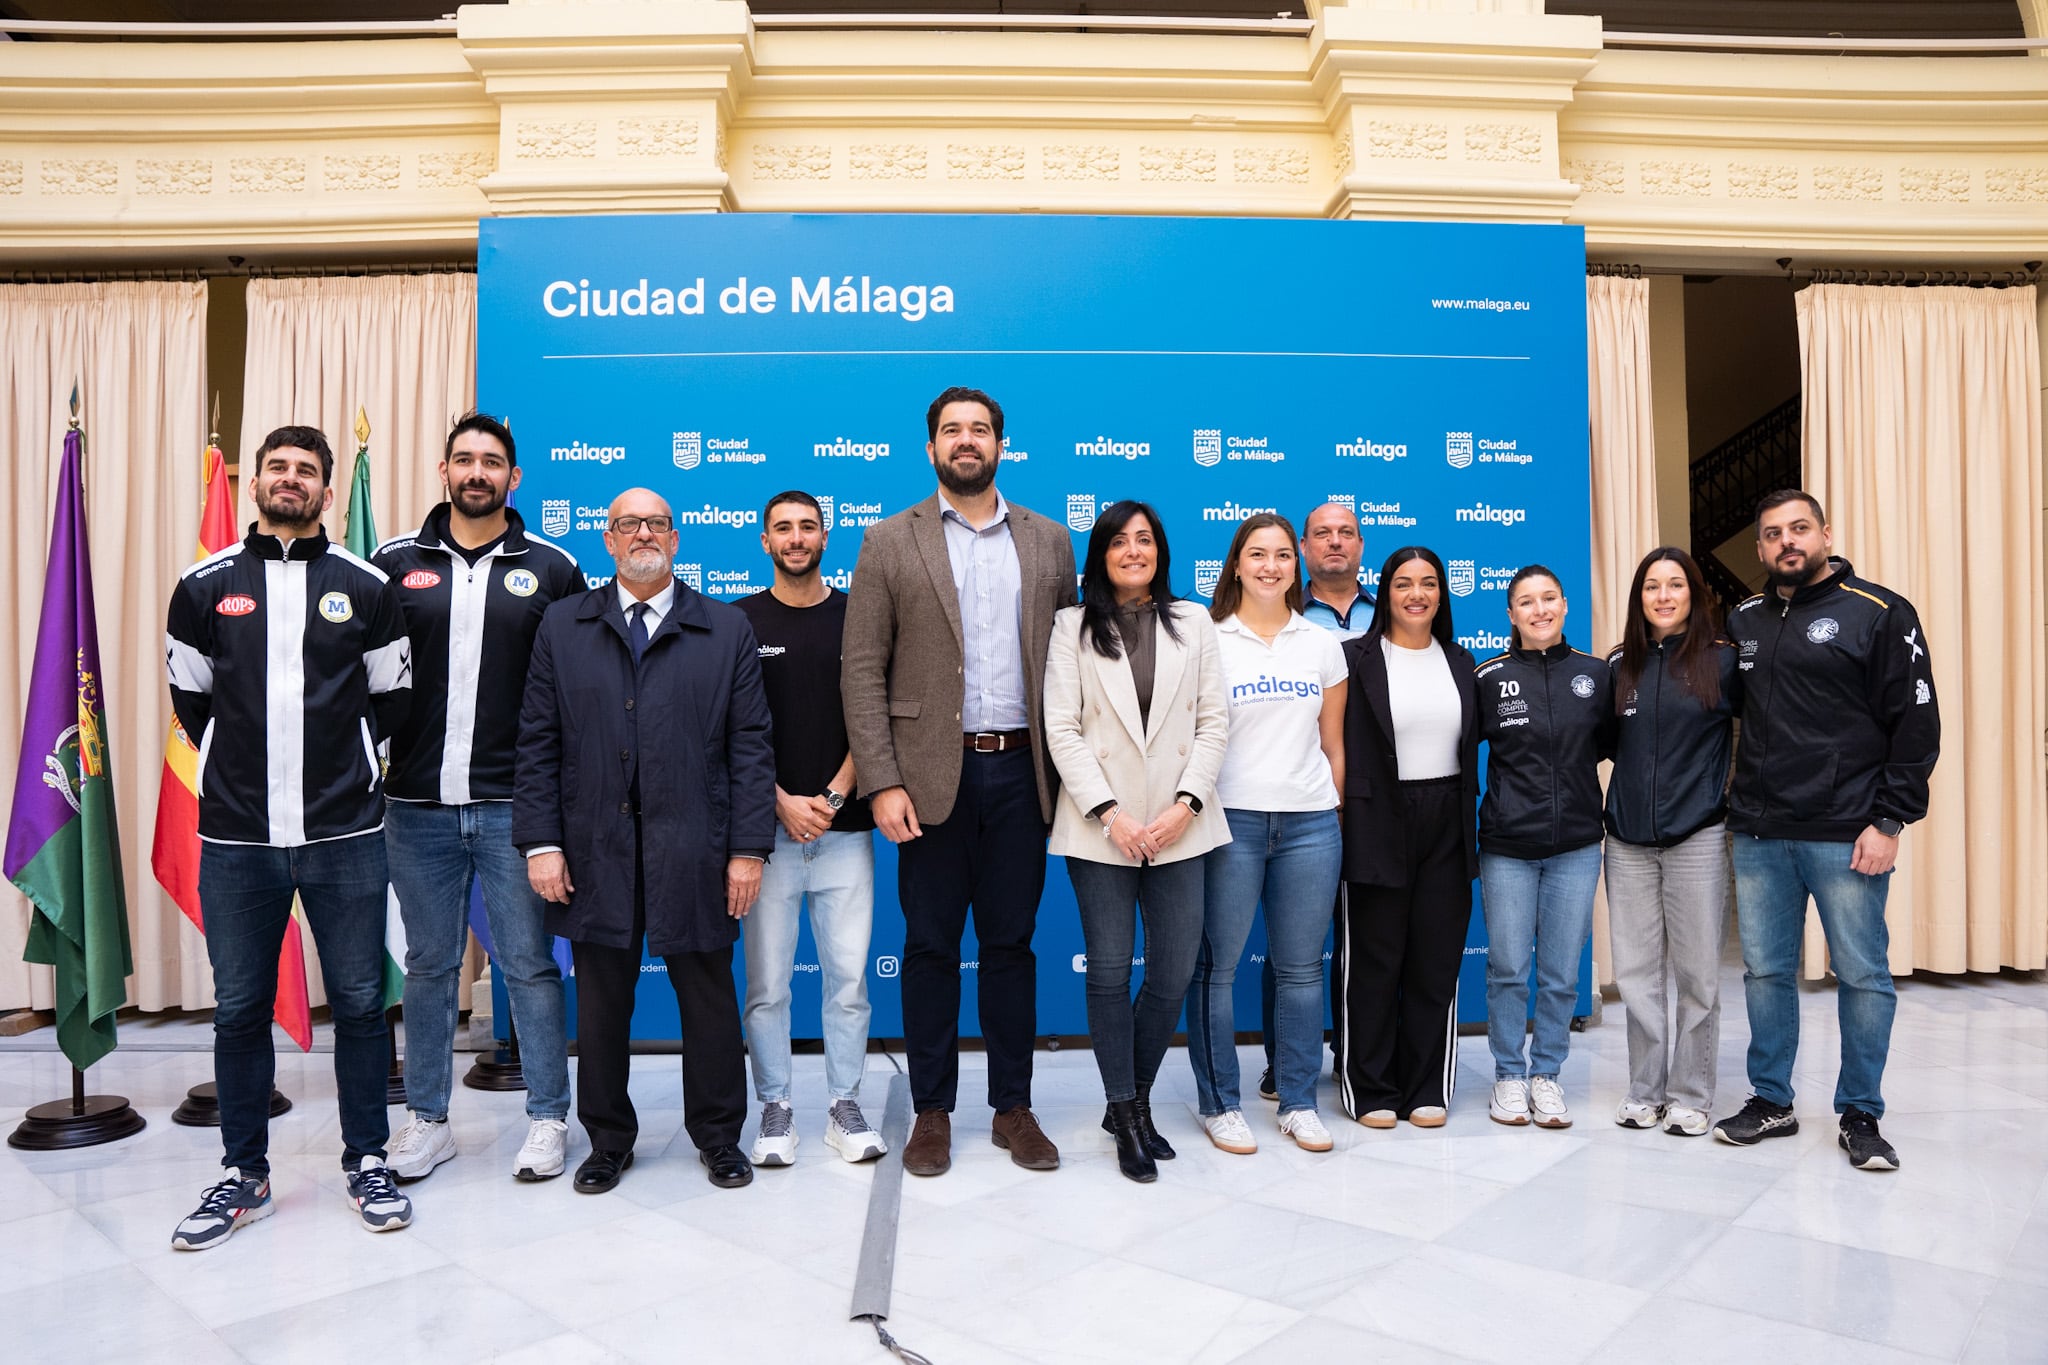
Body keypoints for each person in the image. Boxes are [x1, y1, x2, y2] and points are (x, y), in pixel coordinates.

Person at [166, 424, 414, 1249]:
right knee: (238, 1008)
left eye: (306, 471)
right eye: (277, 467)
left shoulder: (367, 585)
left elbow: (392, 701)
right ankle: (245, 1172)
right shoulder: (202, 587)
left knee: (357, 1004)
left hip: (345, 831)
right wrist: (236, 771)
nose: (290, 480)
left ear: (326, 491)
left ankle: (368, 1157)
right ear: (256, 482)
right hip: (237, 837)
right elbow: (193, 701)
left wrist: (353, 767)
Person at [841, 386, 1078, 1177]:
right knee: (932, 947)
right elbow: (862, 669)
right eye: (952, 430)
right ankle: (932, 1112)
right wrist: (882, 780)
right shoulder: (887, 539)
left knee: (1012, 945)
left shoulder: (1050, 541)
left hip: (1022, 772)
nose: (966, 441)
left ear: (1002, 445)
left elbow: (1074, 666)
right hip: (927, 778)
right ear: (931, 447)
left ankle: (1013, 1107)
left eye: (980, 430)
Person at [513, 488, 776, 1194]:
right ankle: (608, 1140)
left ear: (677, 538)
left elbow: (751, 748)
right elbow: (537, 741)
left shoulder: (725, 629)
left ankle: (719, 1137)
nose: (642, 534)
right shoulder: (563, 626)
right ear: (607, 540)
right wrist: (541, 841)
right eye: (627, 524)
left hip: (696, 847)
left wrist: (748, 850)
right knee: (600, 1005)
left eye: (656, 523)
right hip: (594, 847)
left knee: (710, 1003)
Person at [374, 412, 582, 1183]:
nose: (477, 472)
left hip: (513, 807)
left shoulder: (554, 568)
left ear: (513, 477)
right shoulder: (392, 563)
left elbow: (576, 689)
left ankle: (547, 1116)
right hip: (415, 804)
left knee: (529, 963)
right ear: (443, 469)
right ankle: (427, 1120)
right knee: (428, 964)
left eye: (492, 461)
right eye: (464, 459)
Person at [1714, 490, 1938, 1172]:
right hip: (1758, 831)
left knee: (1864, 974)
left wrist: (1890, 818)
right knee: (1765, 972)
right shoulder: (1745, 617)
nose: (1788, 542)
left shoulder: (1879, 611)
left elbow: (1916, 724)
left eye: (1799, 529)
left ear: (1825, 534)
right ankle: (1772, 1098)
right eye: (1774, 533)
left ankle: (1861, 1111)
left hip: (1847, 832)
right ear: (1759, 549)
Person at [1043, 500, 1229, 1182]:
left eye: (1145, 539)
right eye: (1119, 540)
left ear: (1161, 551)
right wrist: (1111, 814)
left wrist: (1185, 806)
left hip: (1180, 825)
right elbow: (1061, 726)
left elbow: (1214, 722)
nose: (1133, 550)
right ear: (1100, 553)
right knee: (1112, 969)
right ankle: (1125, 1110)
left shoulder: (1194, 621)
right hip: (1104, 830)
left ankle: (1137, 1093)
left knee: (1174, 968)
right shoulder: (1072, 625)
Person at [1185, 513, 1346, 1156]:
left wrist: (1336, 814)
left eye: (1283, 554)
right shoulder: (1207, 638)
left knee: (1303, 971)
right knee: (1216, 969)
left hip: (1310, 824)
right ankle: (1220, 1103)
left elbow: (1332, 743)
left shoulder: (1320, 642)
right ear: (1237, 563)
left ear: (1296, 563)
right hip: (1229, 825)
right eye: (1257, 554)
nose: (1271, 565)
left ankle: (1300, 1101)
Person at [736, 490, 888, 1167]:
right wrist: (780, 803)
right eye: (783, 529)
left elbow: (876, 713)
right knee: (768, 984)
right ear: (765, 540)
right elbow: (732, 731)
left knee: (849, 979)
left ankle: (843, 1103)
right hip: (766, 838)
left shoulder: (859, 616)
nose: (796, 538)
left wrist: (830, 794)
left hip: (845, 831)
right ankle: (775, 1105)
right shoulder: (737, 621)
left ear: (826, 536)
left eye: (807, 527)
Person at [1334, 546, 1479, 1130]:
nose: (1416, 593)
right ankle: (1367, 1087)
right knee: (1373, 960)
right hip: (1375, 817)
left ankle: (1425, 1085)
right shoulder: (1352, 658)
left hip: (1447, 817)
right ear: (1384, 593)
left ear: (1441, 594)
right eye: (1402, 583)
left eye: (1428, 583)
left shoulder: (1462, 661)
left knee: (1435, 959)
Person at [1604, 547, 1738, 1138]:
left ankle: (1690, 1093)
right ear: (1639, 598)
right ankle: (1644, 1091)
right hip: (1626, 839)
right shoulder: (1618, 665)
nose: (1663, 596)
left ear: (1694, 594)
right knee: (1636, 975)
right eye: (1651, 587)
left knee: (1697, 975)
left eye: (1674, 585)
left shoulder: (1725, 661)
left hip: (1698, 836)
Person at [1474, 566, 1613, 1130]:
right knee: (1509, 967)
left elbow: (1609, 746)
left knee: (1559, 972)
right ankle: (1509, 1075)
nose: (1539, 610)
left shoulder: (1597, 675)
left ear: (1564, 605)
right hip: (1507, 847)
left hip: (1577, 845)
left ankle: (1546, 1075)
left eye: (1548, 599)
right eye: (1525, 602)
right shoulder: (1489, 677)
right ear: (1511, 615)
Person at [1253, 501, 1374, 1104]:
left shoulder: (1395, 611)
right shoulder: (1281, 613)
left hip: (1380, 799)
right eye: (1322, 534)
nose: (1334, 543)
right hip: (1304, 797)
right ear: (1302, 548)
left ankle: (1357, 1058)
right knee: (1291, 946)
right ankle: (1283, 1063)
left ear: (1361, 545)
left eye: (1346, 533)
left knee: (1367, 936)